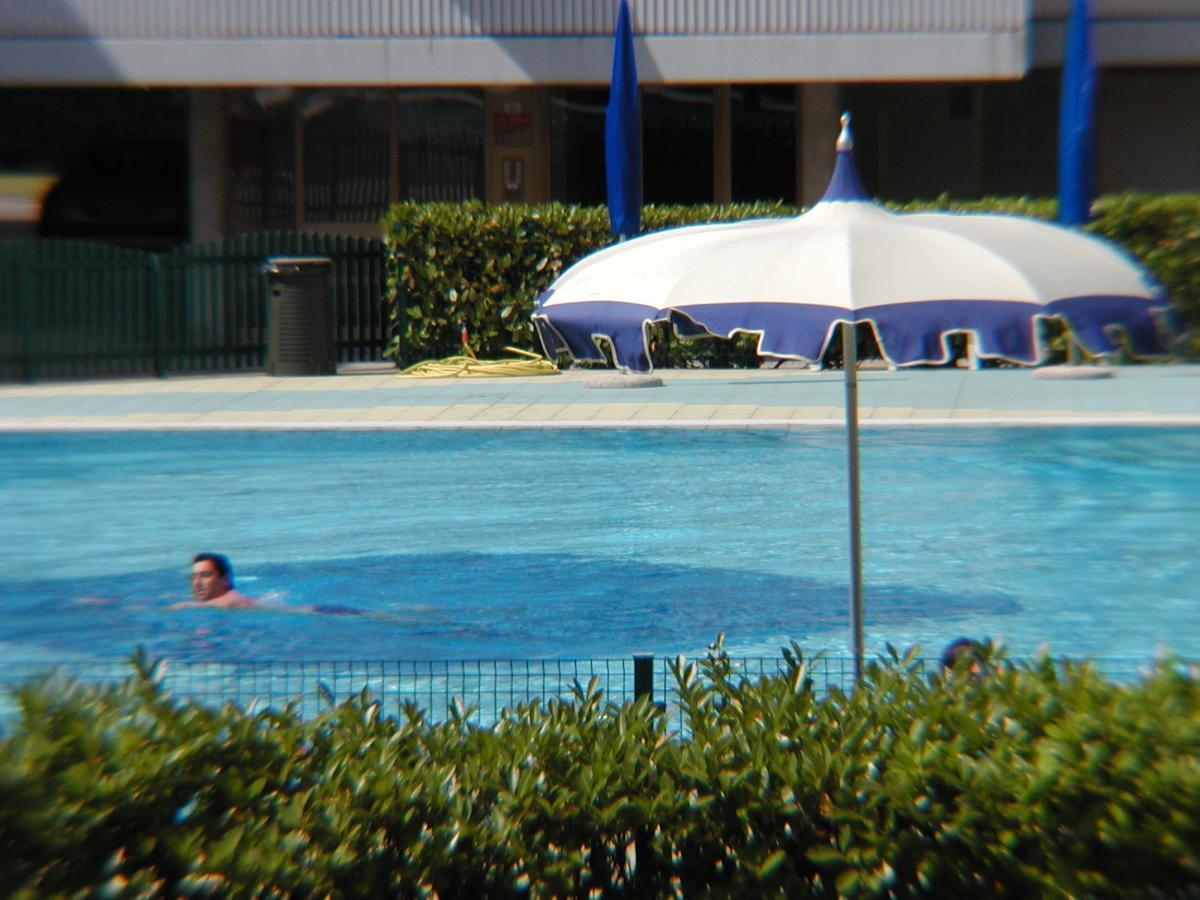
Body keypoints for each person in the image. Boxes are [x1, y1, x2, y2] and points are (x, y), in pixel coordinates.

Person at [169, 553, 255, 609]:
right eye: (194, 577)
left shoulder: (232, 599)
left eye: (205, 575)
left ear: (225, 579)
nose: (197, 582)